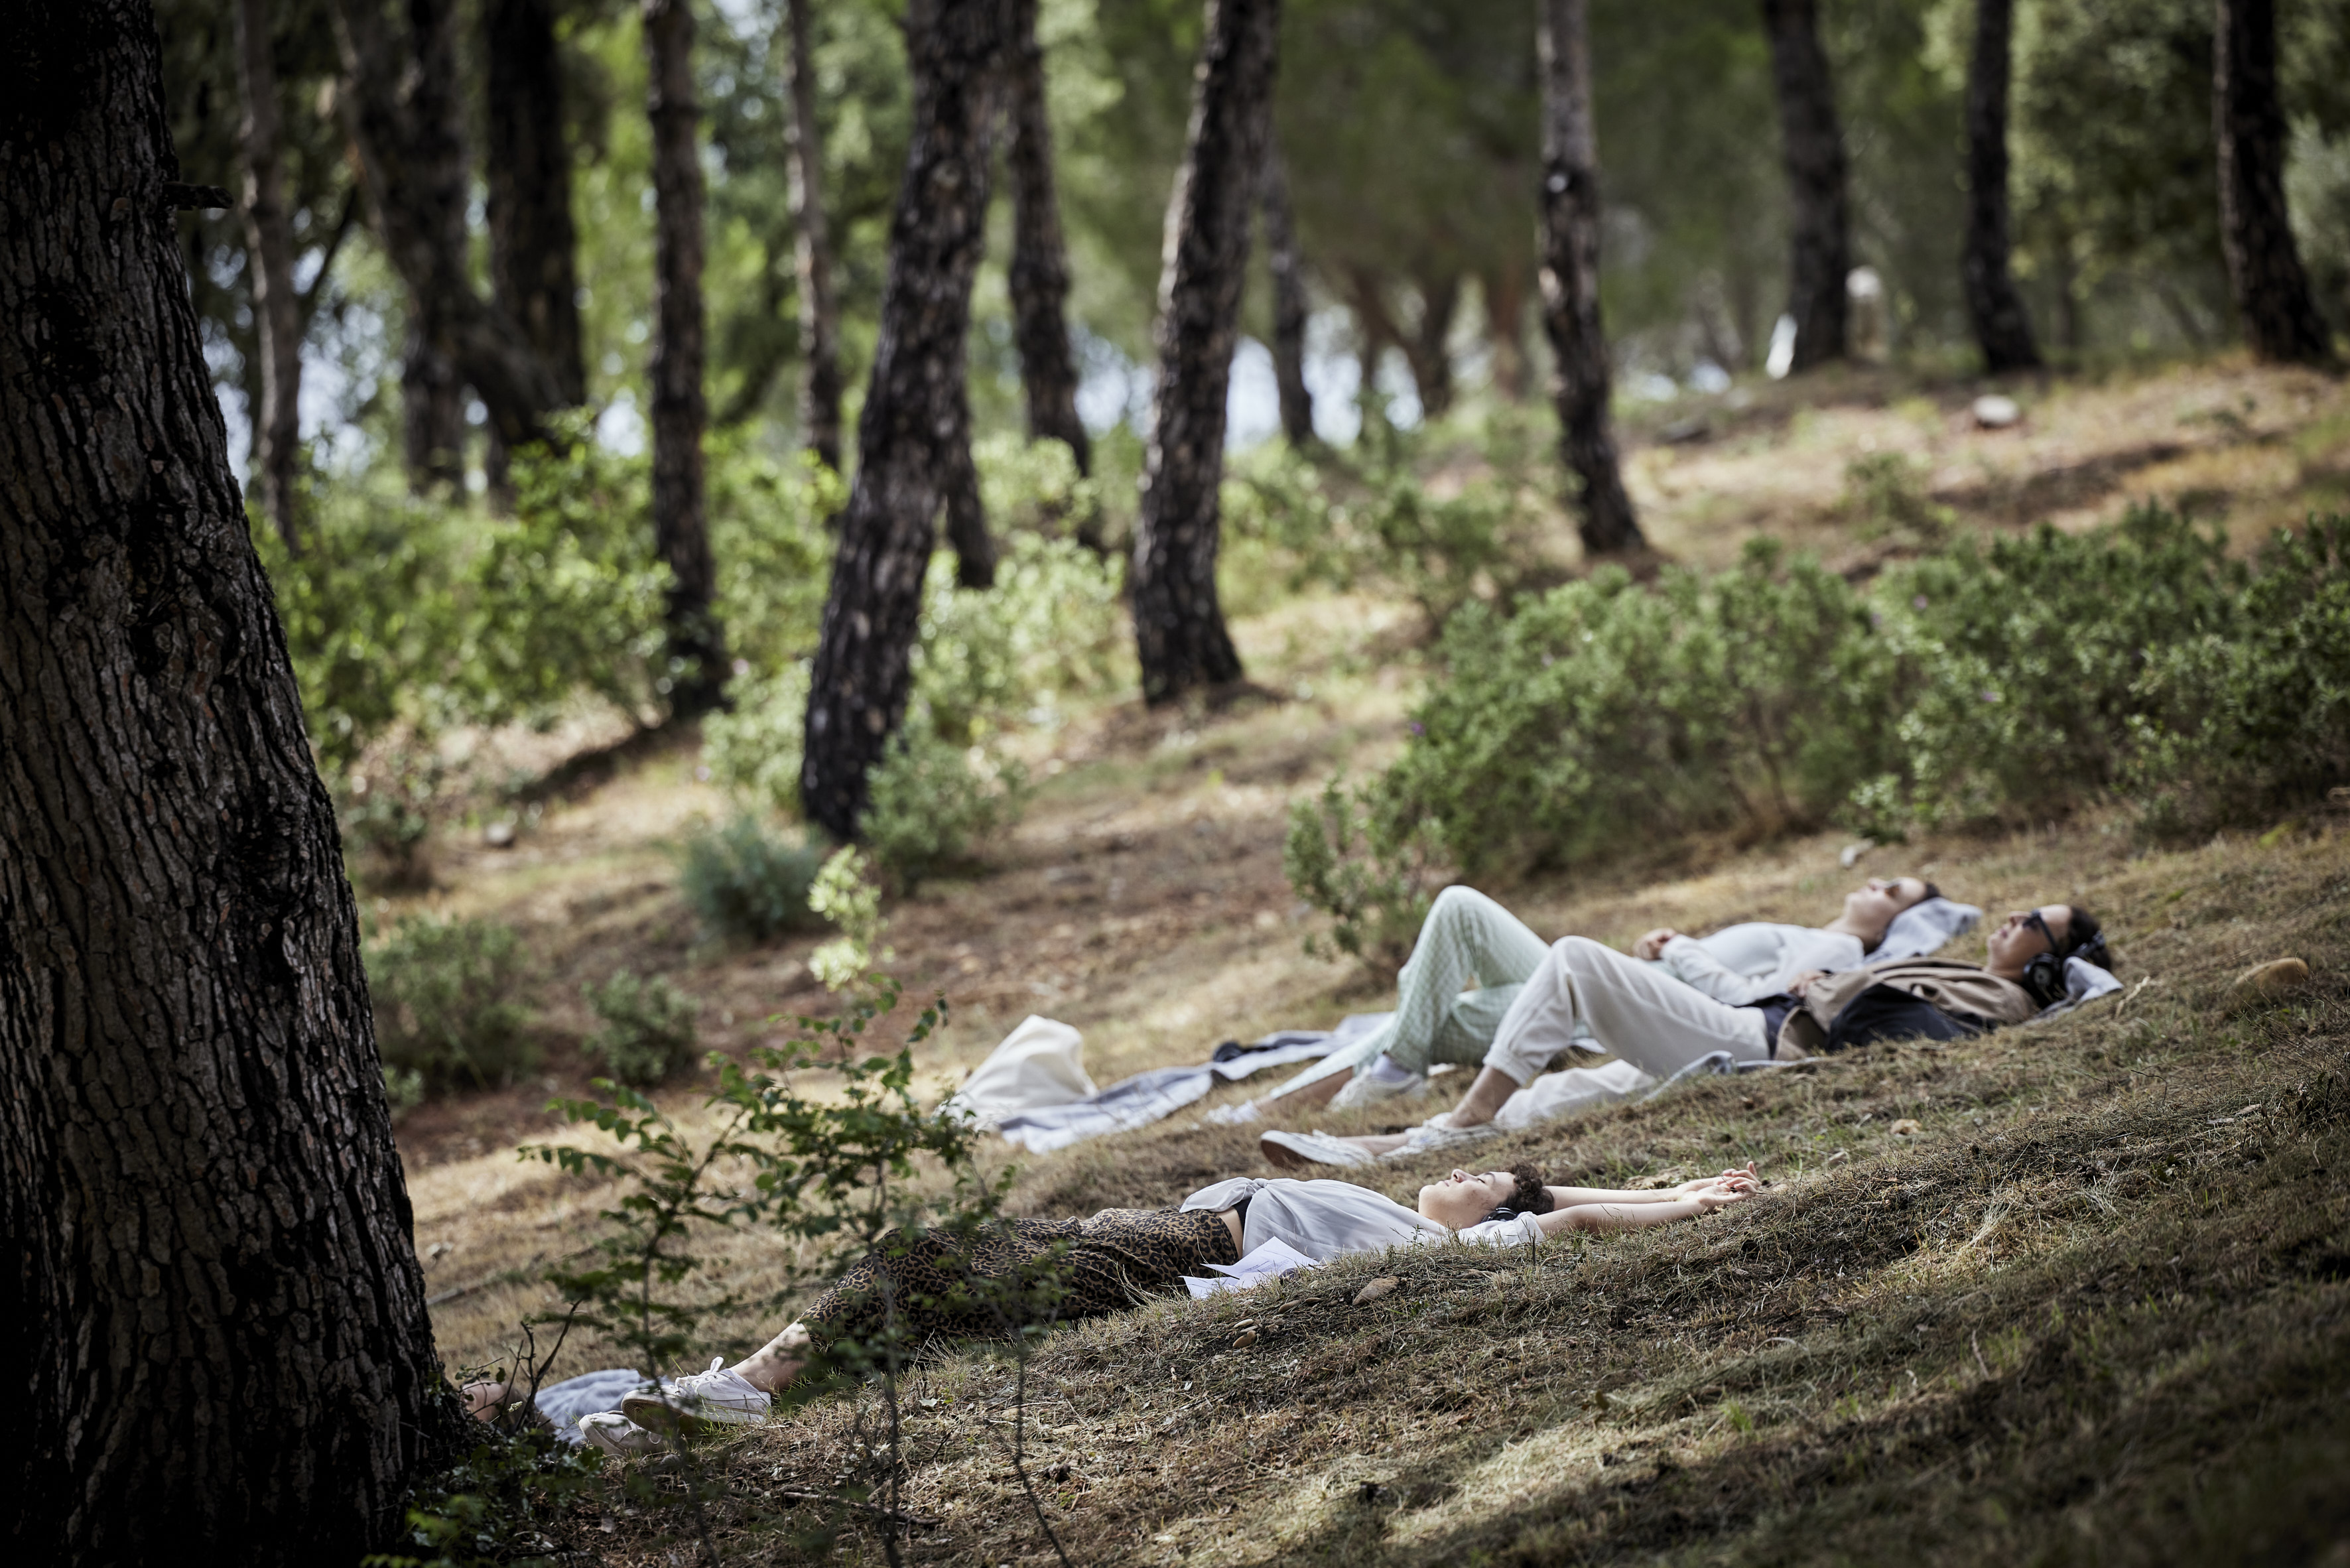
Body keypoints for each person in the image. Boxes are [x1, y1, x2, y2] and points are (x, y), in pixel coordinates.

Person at [599, 1161, 1760, 1435]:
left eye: (1483, 1181)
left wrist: (1680, 1199)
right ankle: (728, 1392)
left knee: (919, 1264)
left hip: (1181, 1250)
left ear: (1491, 1214)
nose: (1462, 1173)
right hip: (1144, 1229)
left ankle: (745, 1386)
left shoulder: (1439, 1244)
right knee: (929, 1279)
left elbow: (1566, 1212)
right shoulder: (1387, 1201)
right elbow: (1547, 1190)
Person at [1270, 901, 2105, 1171]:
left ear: (2047, 963)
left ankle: (1460, 1119)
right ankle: (1377, 1150)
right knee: (1555, 1095)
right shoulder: (1970, 975)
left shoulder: (2003, 1000)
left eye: (2034, 922)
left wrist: (1833, 994)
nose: (2013, 917)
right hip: (1761, 1026)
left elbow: (1923, 1036)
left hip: (1763, 1043)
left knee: (1574, 959)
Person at [1241, 877, 1941, 1143]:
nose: (1875, 883)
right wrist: (1660, 954)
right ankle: (1387, 1072)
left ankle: (1326, 1091)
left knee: (1435, 969)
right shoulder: (1806, 930)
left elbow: (1756, 1003)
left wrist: (1682, 949)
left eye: (1895, 891)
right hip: (1614, 990)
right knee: (1433, 973)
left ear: (1893, 923)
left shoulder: (1838, 949)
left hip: (1596, 1013)